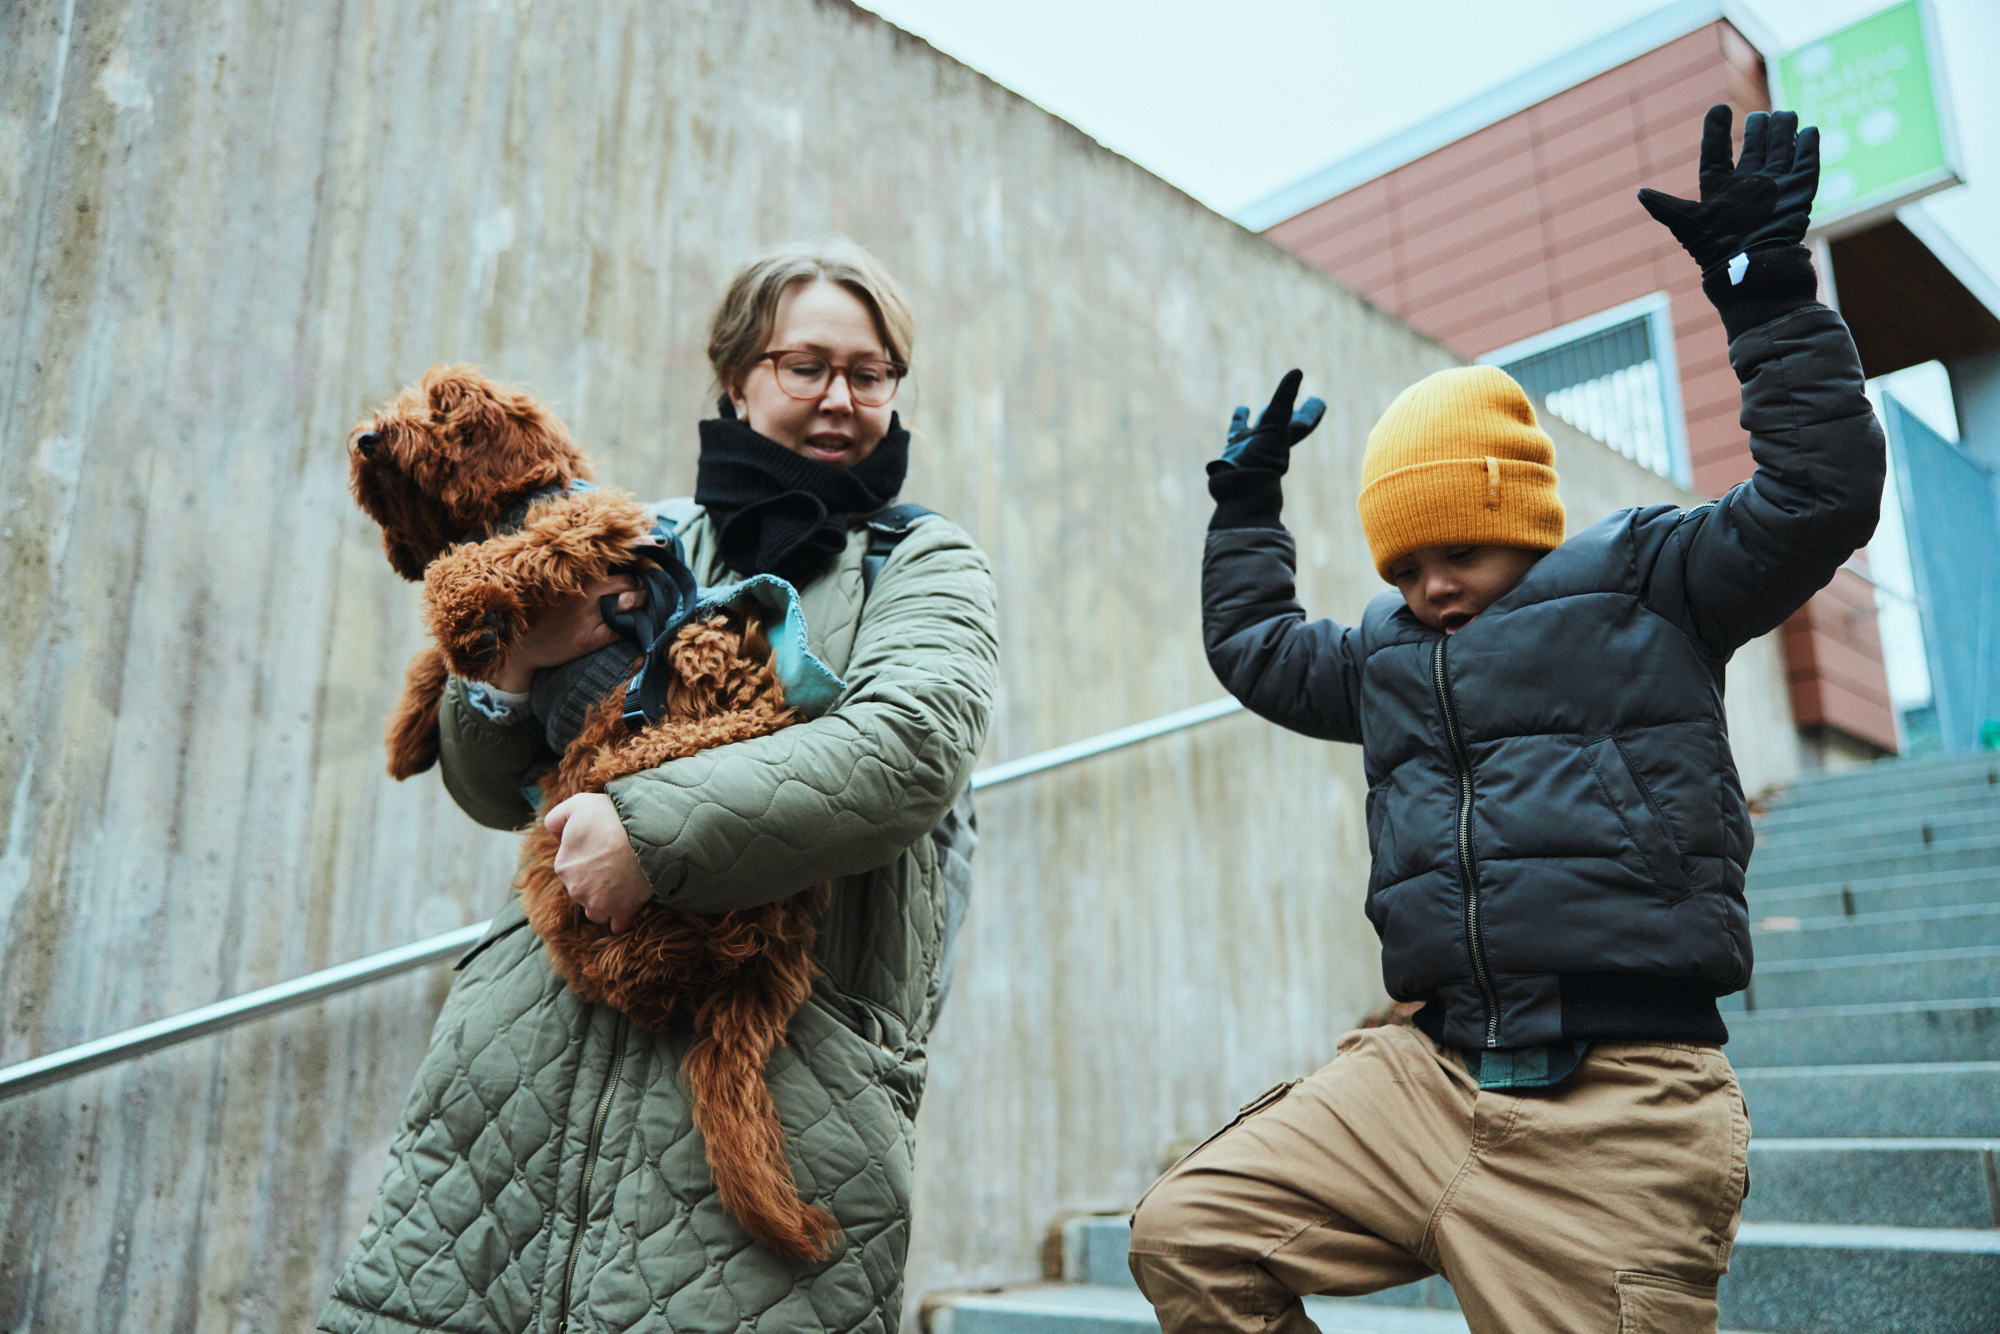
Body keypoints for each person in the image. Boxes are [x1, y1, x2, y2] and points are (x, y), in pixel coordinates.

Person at [1128, 107, 1880, 1333]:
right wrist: (1244, 506)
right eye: (1403, 561)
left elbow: (1816, 496)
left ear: (1521, 517)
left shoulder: (1649, 582)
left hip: (1619, 1107)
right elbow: (1257, 652)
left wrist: (1764, 291)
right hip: (1425, 1077)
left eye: (1457, 549)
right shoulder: (1387, 651)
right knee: (1189, 1234)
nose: (1427, 583)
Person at [320, 238, 999, 1334]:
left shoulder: (917, 561)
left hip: (786, 1071)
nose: (839, 396)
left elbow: (905, 751)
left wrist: (646, 828)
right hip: (522, 1066)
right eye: (804, 364)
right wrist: (504, 670)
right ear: (736, 377)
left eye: (868, 373)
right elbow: (495, 792)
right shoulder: (644, 535)